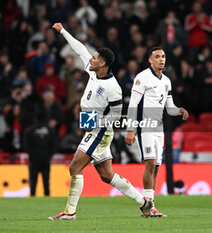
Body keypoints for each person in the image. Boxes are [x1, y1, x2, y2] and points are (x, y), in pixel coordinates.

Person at [50, 22, 152, 220]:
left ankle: (70, 212)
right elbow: (79, 48)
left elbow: (116, 115)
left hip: (100, 132)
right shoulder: (93, 70)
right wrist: (63, 31)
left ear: (103, 63)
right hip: (93, 129)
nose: (91, 59)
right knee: (107, 176)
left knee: (75, 167)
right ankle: (143, 202)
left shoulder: (113, 88)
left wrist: (95, 124)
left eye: (95, 58)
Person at [125, 47, 189, 217]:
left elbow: (170, 107)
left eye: (163, 57)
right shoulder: (142, 78)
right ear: (150, 60)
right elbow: (132, 104)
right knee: (150, 163)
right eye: (157, 57)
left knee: (157, 167)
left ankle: (150, 205)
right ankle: (147, 205)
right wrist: (130, 129)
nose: (161, 59)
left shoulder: (166, 81)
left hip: (158, 128)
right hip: (143, 125)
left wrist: (179, 110)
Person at [23, 111, 57, 197]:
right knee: (46, 181)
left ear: (35, 118)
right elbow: (55, 144)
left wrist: (31, 154)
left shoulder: (30, 130)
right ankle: (47, 196)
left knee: (33, 180)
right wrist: (49, 155)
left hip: (34, 159)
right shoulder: (50, 130)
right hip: (46, 158)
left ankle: (33, 195)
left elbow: (25, 145)